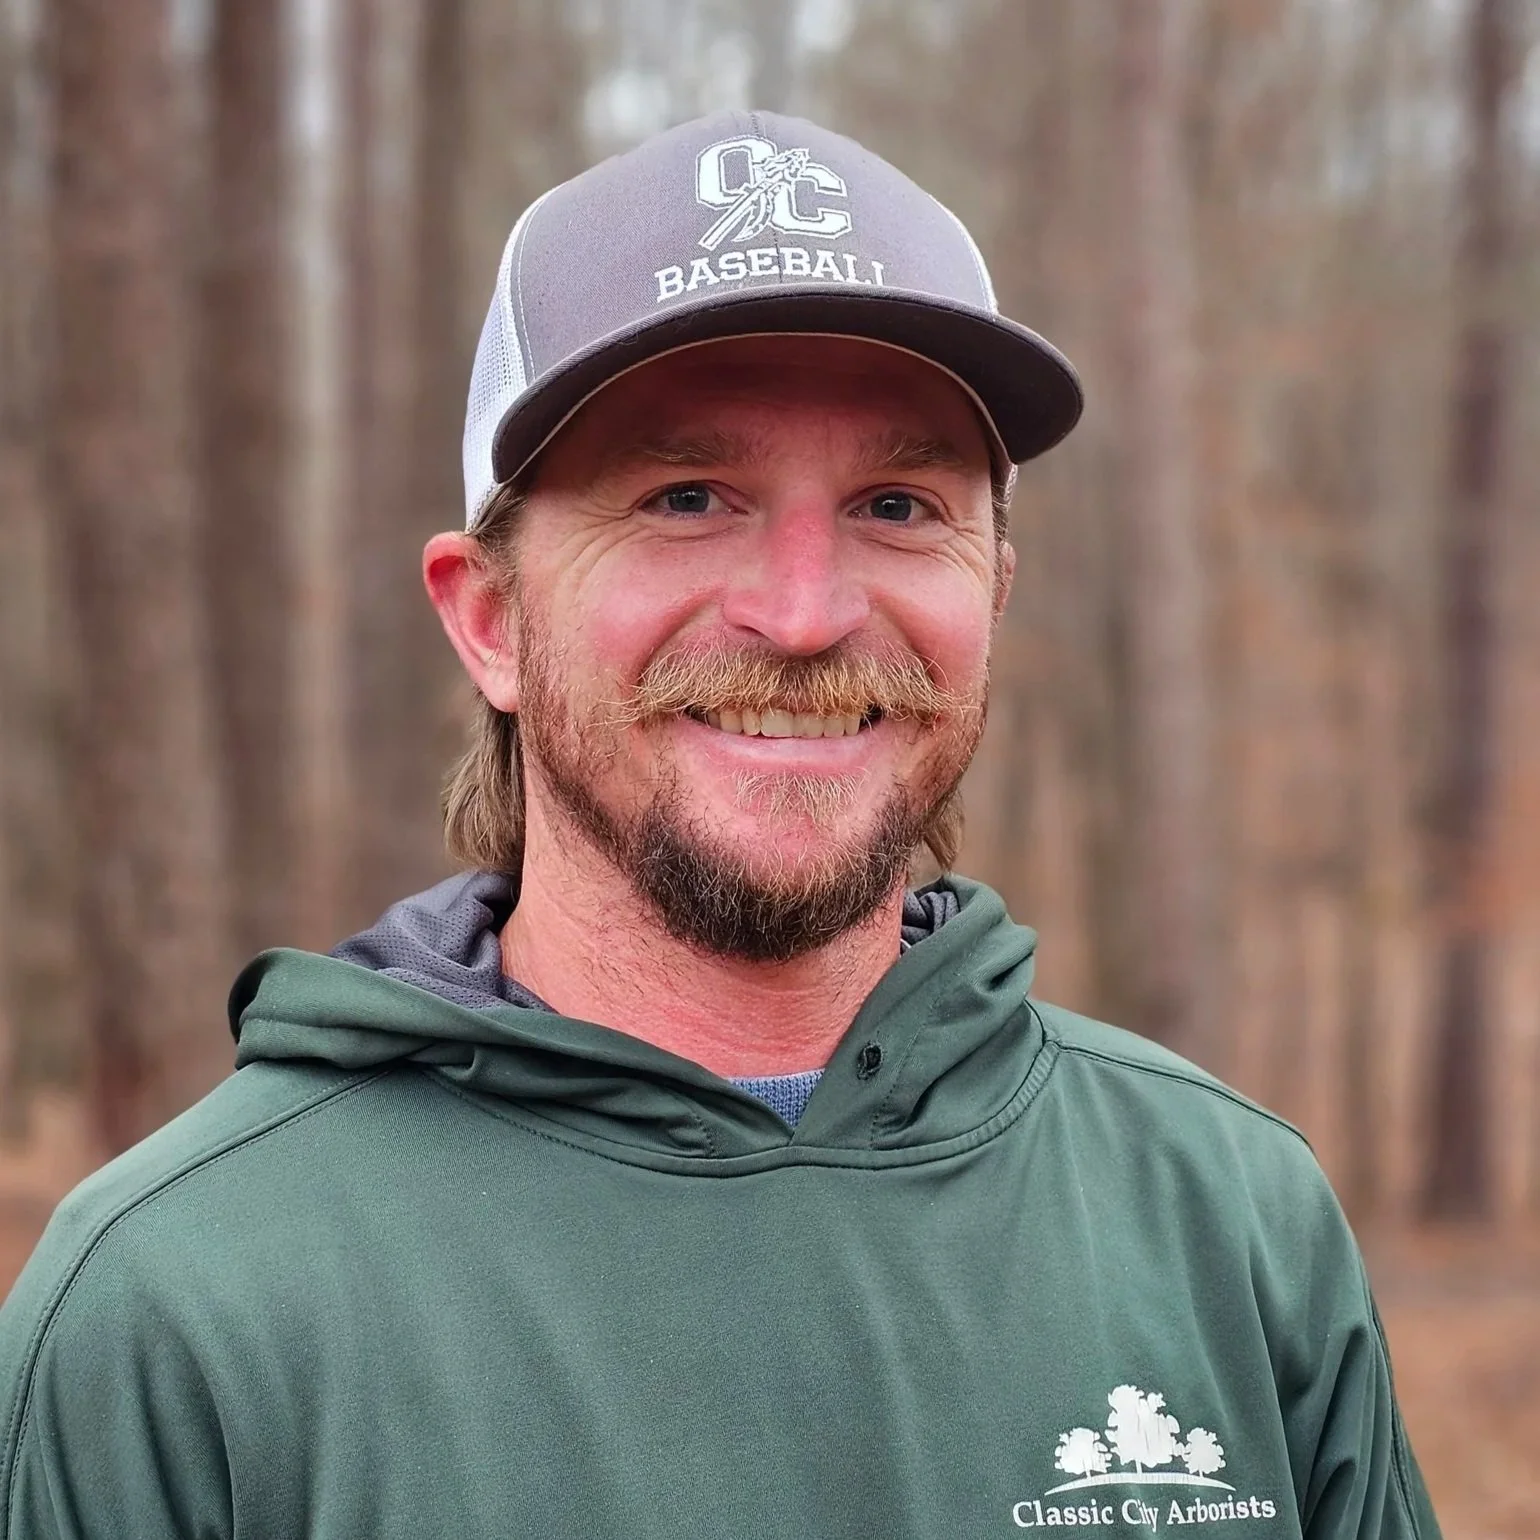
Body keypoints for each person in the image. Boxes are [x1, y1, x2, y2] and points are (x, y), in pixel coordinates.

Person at [0, 111, 1438, 1540]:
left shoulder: (1231, 1224)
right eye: (686, 498)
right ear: (489, 620)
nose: (804, 613)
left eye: (896, 502)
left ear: (993, 593)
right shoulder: (176, 1309)